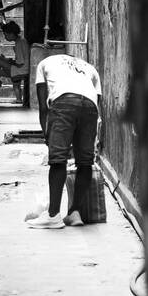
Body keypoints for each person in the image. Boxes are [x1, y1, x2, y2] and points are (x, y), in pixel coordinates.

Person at [28, 52, 101, 229]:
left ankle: (53, 215)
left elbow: (43, 106)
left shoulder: (44, 63)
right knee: (85, 162)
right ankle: (75, 212)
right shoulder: (89, 68)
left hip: (64, 102)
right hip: (90, 106)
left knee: (57, 159)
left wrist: (47, 133)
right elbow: (97, 102)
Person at [1, 20, 30, 105]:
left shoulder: (20, 42)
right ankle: (19, 99)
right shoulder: (21, 40)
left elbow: (20, 63)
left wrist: (10, 61)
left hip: (22, 69)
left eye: (5, 34)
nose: (5, 37)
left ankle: (18, 99)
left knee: (16, 85)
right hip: (23, 67)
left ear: (11, 34)